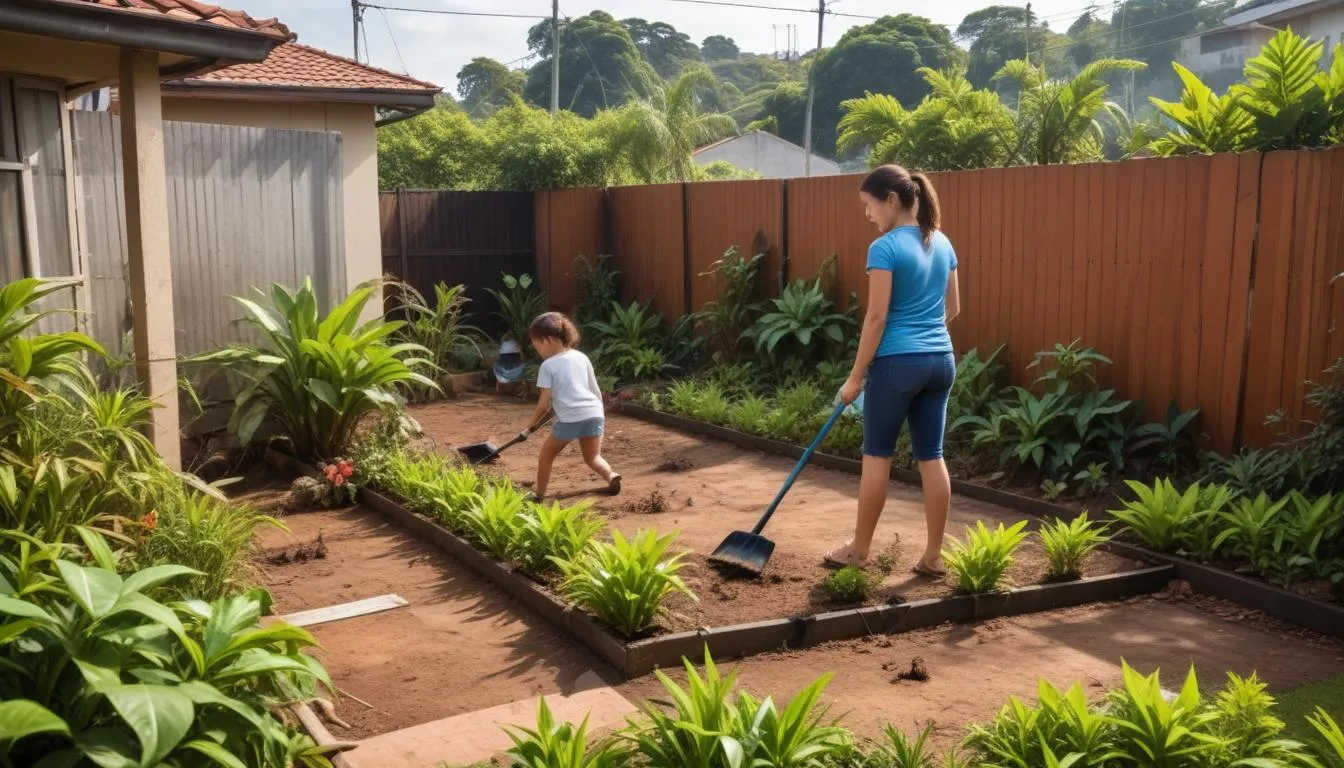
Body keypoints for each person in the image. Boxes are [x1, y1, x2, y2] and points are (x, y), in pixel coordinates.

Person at [825, 164, 961, 576]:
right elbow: (953, 309)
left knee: (877, 456)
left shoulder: (883, 248)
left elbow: (877, 318)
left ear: (890, 199)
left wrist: (854, 377)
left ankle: (859, 551)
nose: (867, 215)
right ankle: (933, 556)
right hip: (941, 361)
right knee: (931, 457)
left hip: (897, 365)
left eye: (869, 205)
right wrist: (924, 338)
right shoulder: (942, 241)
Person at [520, 312, 621, 499]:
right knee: (593, 457)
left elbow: (543, 405)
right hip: (594, 413)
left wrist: (529, 427)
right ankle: (611, 475)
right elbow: (596, 391)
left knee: (546, 456)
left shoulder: (548, 366)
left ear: (548, 340)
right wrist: (598, 414)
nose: (538, 350)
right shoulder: (581, 357)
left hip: (571, 419)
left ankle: (539, 495)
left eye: (537, 345)